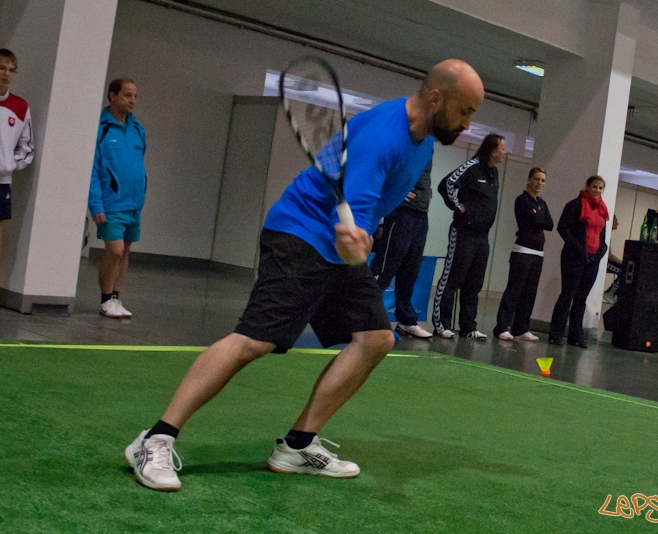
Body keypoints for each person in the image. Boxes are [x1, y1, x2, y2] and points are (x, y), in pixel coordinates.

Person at [124, 59, 484, 492]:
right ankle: (155, 438)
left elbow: (365, 216)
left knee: (376, 339)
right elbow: (352, 216)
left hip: (336, 247)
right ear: (435, 98)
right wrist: (357, 236)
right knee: (254, 341)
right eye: (465, 111)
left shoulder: (422, 141)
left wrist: (360, 236)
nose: (467, 123)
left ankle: (297, 445)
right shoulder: (383, 137)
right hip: (299, 235)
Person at [432, 133, 504, 340]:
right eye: (502, 148)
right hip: (464, 233)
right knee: (452, 278)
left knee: (475, 282)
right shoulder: (471, 167)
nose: (504, 152)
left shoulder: (494, 173)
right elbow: (446, 184)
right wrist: (459, 206)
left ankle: (468, 327)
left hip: (483, 236)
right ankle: (441, 324)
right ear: (492, 150)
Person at [88, 78, 146, 319]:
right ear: (112, 96)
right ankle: (104, 299)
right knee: (114, 250)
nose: (132, 101)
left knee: (126, 250)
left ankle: (115, 297)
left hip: (133, 204)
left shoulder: (137, 129)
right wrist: (96, 204)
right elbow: (92, 169)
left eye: (134, 96)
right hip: (111, 204)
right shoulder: (101, 128)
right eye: (127, 95)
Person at [371, 159, 434, 339]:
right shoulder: (404, 140)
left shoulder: (428, 146)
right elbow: (382, 166)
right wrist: (393, 191)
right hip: (400, 212)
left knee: (410, 271)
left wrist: (428, 196)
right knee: (384, 268)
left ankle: (406, 322)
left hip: (420, 215)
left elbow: (425, 177)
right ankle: (360, 317)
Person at [548, 175, 609, 348]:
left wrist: (599, 254)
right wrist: (579, 249)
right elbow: (563, 228)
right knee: (567, 295)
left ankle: (575, 335)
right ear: (587, 186)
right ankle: (556, 334)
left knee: (581, 298)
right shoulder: (575, 205)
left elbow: (602, 237)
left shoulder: (602, 210)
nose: (597, 191)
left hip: (592, 260)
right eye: (595, 187)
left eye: (600, 188)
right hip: (573, 257)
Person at [493, 167, 552, 341]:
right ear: (529, 180)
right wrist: (538, 218)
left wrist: (538, 218)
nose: (539, 183)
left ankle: (521, 328)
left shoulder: (542, 203)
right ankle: (502, 327)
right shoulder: (522, 200)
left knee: (530, 292)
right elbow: (531, 219)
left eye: (542, 180)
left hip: (538, 253)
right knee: (514, 290)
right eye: (536, 179)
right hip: (523, 251)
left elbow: (549, 223)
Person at [0, 48, 34, 261]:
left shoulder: (20, 107)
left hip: (2, 182)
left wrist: (9, 165)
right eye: (2, 68)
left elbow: (27, 147)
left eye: (11, 70)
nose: (6, 74)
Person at [603, 215, 622, 304]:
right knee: (623, 271)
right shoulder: (606, 235)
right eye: (616, 221)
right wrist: (620, 261)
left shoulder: (608, 235)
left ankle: (614, 294)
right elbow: (609, 255)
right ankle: (609, 293)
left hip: (607, 261)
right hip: (604, 262)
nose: (617, 223)